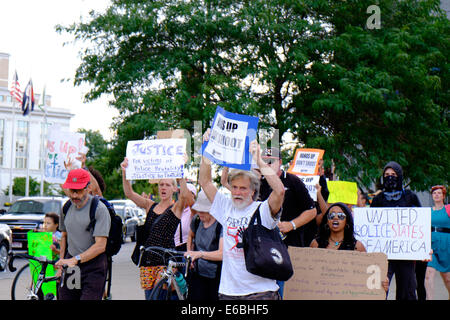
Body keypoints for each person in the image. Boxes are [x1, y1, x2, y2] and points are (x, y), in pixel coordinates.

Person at [199, 131, 285, 300]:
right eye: (235, 187)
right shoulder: (226, 207)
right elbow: (205, 182)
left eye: (243, 188)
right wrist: (206, 152)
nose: (237, 192)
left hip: (261, 292)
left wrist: (259, 160)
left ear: (253, 191)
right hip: (229, 292)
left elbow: (280, 191)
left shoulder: (262, 210)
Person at [120, 157, 192, 300]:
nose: (163, 187)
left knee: (160, 296)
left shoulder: (175, 208)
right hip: (147, 260)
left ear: (173, 189)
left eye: (167, 185)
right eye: (161, 184)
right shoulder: (150, 205)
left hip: (164, 261)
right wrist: (125, 172)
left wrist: (180, 176)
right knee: (150, 296)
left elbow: (184, 196)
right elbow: (129, 193)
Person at [55, 168, 111, 300]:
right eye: (71, 190)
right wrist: (61, 264)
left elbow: (100, 245)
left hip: (94, 267)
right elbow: (64, 236)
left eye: (78, 191)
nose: (74, 195)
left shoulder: (99, 209)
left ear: (88, 188)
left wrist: (75, 259)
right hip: (72, 267)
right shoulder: (66, 207)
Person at [370, 161, 422, 300]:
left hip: (405, 252)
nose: (390, 177)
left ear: (399, 176)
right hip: (383, 253)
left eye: (393, 174)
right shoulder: (378, 199)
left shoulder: (410, 197)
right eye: (386, 174)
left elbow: (420, 223)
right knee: (378, 289)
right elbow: (371, 226)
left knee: (407, 290)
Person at [310, 202, 389, 292]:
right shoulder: (316, 244)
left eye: (340, 215)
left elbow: (369, 273)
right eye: (331, 215)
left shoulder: (357, 246)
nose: (335, 217)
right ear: (327, 221)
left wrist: (382, 282)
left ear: (347, 221)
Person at [258, 147, 317, 248]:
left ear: (280, 162)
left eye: (271, 161)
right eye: (264, 161)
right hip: (264, 242)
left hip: (290, 242)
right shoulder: (258, 183)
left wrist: (291, 225)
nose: (267, 164)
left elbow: (312, 211)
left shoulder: (293, 181)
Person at [185, 190, 223, 301]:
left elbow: (222, 254)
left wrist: (200, 254)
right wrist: (189, 254)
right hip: (197, 273)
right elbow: (190, 236)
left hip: (216, 277)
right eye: (199, 210)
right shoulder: (196, 220)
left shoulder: (221, 225)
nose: (200, 213)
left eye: (204, 210)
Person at [425, 185, 450, 300]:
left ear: (443, 196)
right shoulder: (428, 211)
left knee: (447, 279)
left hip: (446, 244)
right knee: (429, 273)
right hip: (432, 245)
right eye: (434, 193)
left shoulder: (448, 209)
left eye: (439, 193)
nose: (436, 195)